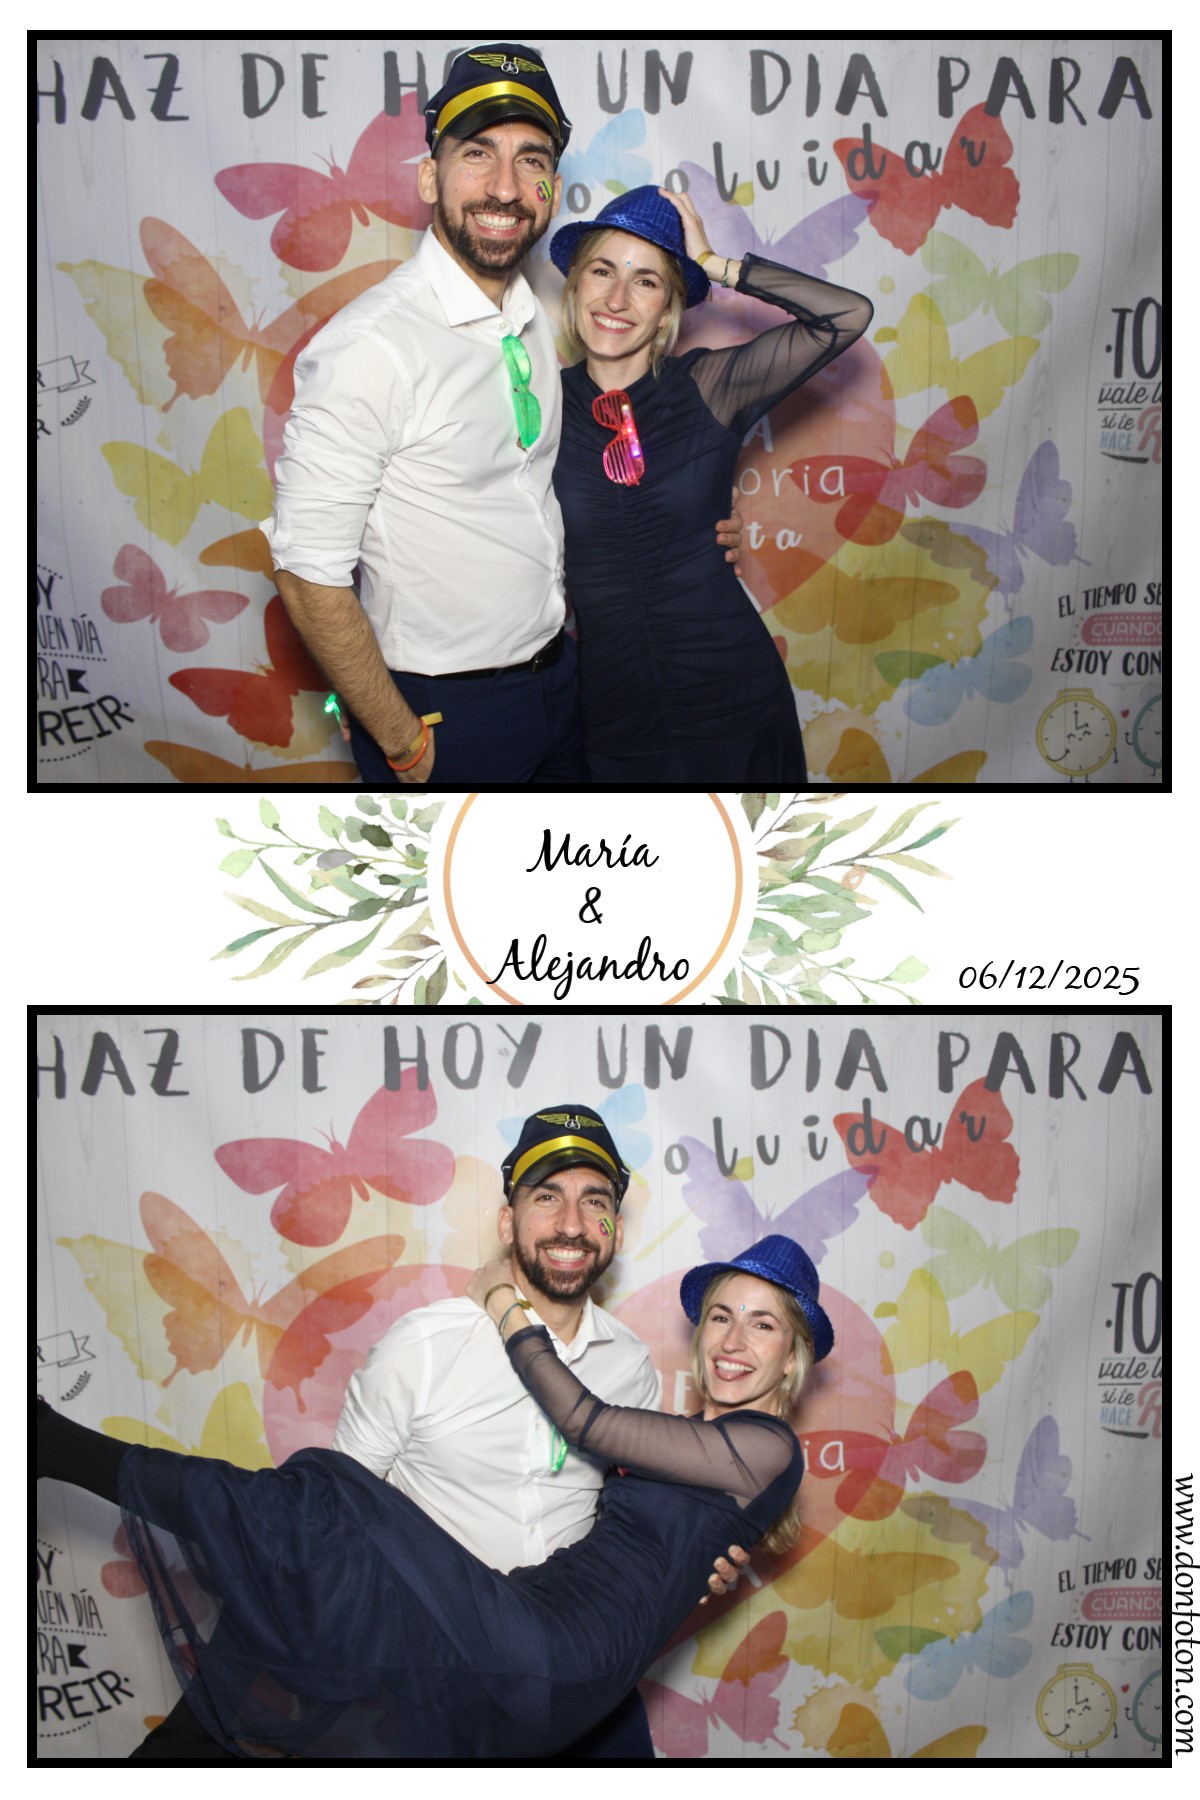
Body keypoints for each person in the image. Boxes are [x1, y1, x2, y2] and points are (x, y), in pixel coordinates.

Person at [37, 1232, 832, 1760]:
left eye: (763, 1325)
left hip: (554, 1650)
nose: (734, 1341)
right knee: (309, 1576)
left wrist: (502, 1302)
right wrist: (703, 1568)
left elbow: (583, 1420)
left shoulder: (770, 1448)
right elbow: (649, 1539)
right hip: (527, 1613)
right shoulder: (687, 1436)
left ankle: (52, 1443)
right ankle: (166, 1759)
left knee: (322, 1506)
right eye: (722, 1317)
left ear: (793, 1354)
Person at [263, 44, 741, 788]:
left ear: (553, 190)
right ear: (431, 176)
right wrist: (399, 738)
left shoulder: (531, 315)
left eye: (531, 160)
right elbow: (306, 573)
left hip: (561, 684)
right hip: (443, 713)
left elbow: (546, 484)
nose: (506, 187)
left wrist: (691, 529)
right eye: (478, 153)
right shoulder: (371, 346)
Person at [549, 184, 874, 785]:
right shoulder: (538, 406)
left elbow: (845, 317)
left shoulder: (711, 386)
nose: (617, 299)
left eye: (646, 281)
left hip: (735, 702)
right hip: (612, 716)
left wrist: (714, 264)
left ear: (668, 309)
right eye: (603, 271)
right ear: (575, 284)